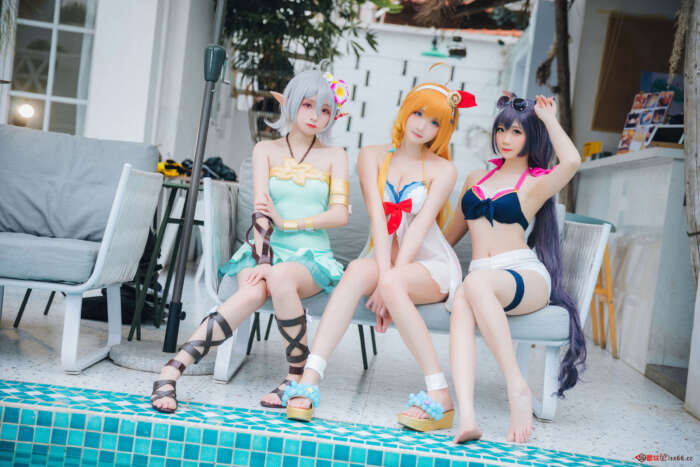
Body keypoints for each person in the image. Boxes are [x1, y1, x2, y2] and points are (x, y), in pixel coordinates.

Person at [150, 68, 350, 413]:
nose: (316, 116)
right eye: (307, 105)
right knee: (253, 291)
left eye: (325, 110)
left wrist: (290, 222)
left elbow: (340, 214)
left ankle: (295, 376)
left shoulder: (336, 156)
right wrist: (263, 260)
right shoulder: (265, 149)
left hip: (311, 257)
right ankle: (172, 370)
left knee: (282, 276)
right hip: (264, 249)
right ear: (290, 105)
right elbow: (260, 210)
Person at [283, 79, 476, 432]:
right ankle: (309, 379)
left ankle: (440, 394)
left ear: (443, 130)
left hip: (429, 265)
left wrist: (389, 283)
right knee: (357, 270)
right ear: (406, 111)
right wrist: (387, 278)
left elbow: (418, 231)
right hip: (385, 259)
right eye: (418, 113)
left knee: (390, 281)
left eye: (434, 121)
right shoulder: (371, 156)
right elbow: (378, 220)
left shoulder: (443, 170)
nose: (422, 126)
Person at [444, 94, 584, 444]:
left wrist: (548, 118)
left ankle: (516, 387)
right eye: (501, 130)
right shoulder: (475, 178)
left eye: (516, 132)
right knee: (463, 297)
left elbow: (572, 161)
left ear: (531, 136)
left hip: (523, 275)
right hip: (482, 278)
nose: (505, 138)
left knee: (474, 285)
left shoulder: (536, 182)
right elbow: (449, 237)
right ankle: (467, 417)